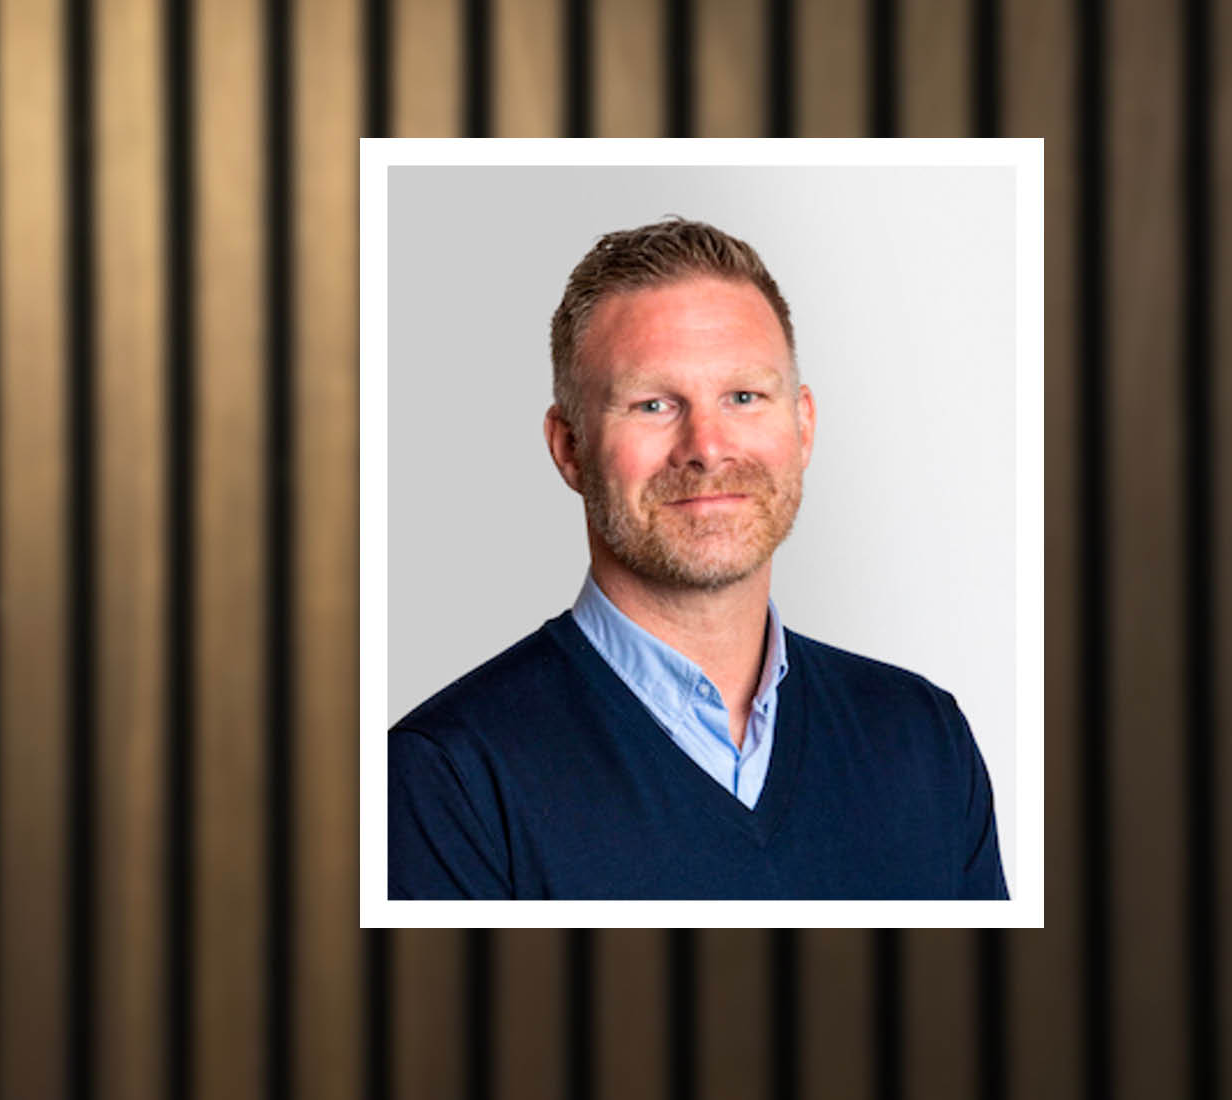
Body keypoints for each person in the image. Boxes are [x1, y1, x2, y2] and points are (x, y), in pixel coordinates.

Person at [389, 217, 1007, 899]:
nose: (708, 448)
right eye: (653, 404)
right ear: (569, 447)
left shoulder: (924, 741)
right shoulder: (446, 780)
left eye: (744, 397)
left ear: (802, 426)